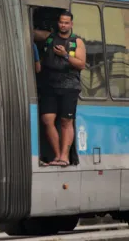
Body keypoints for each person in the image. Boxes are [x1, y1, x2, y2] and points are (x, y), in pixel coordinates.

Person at [38, 11, 86, 167]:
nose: (63, 25)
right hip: (50, 85)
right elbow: (32, 33)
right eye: (61, 22)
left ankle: (65, 157)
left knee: (66, 121)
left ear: (71, 24)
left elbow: (81, 64)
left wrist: (65, 55)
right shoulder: (50, 38)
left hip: (69, 87)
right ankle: (57, 155)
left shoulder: (76, 41)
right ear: (58, 23)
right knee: (47, 119)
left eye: (66, 23)